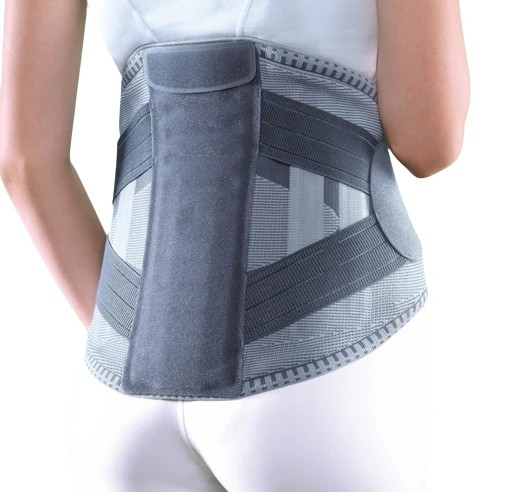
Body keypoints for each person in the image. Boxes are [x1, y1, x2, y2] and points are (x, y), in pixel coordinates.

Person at [0, 1, 470, 491]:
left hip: (125, 405)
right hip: (325, 376)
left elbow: (25, 162)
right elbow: (429, 142)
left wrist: (147, 337)